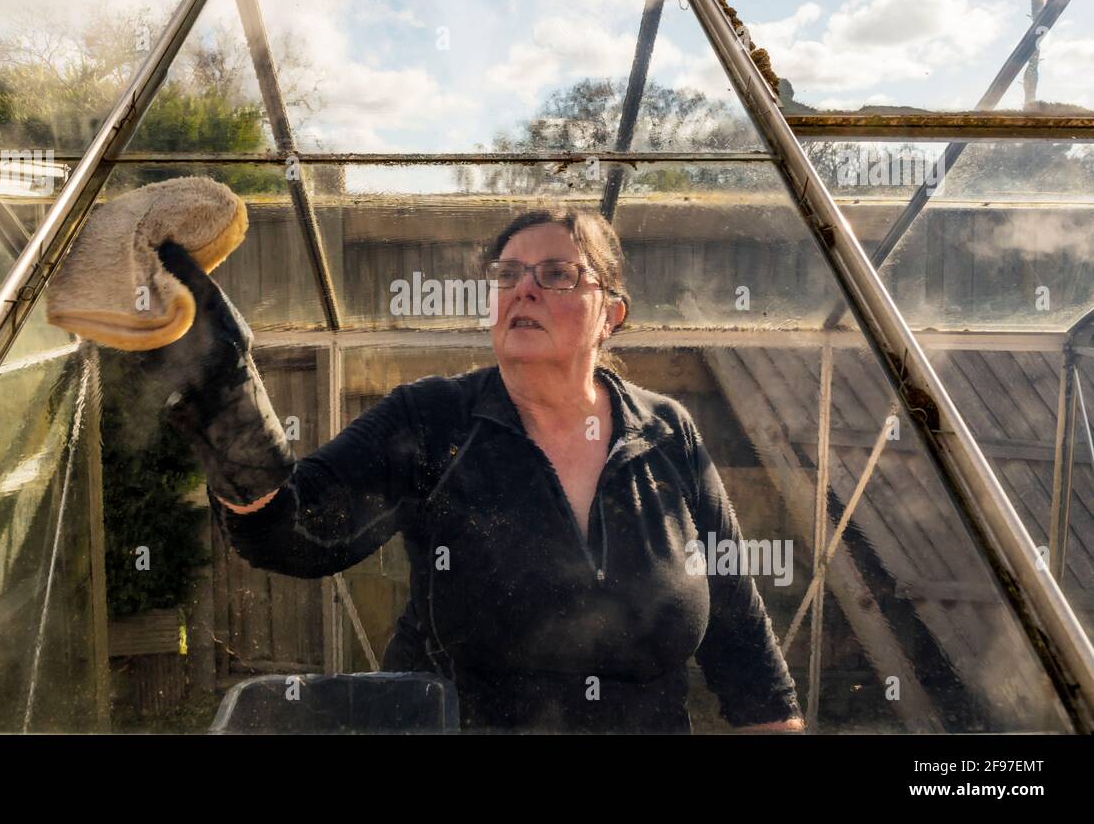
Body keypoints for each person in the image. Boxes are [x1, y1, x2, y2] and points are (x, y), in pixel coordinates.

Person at [142, 206, 804, 733]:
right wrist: (222, 398)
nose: (523, 289)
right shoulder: (433, 420)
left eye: (557, 275)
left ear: (612, 315)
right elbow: (293, 532)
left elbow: (741, 638)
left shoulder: (666, 434)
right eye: (508, 274)